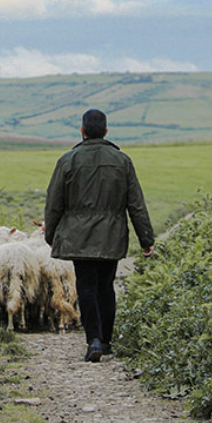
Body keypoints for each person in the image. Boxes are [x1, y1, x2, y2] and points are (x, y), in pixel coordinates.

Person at [44, 108, 155, 362]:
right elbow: (136, 204)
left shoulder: (67, 160)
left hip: (79, 237)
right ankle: (106, 341)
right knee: (106, 286)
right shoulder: (122, 161)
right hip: (112, 235)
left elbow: (54, 202)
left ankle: (92, 339)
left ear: (82, 131)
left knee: (86, 286)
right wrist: (146, 238)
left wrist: (51, 234)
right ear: (106, 131)